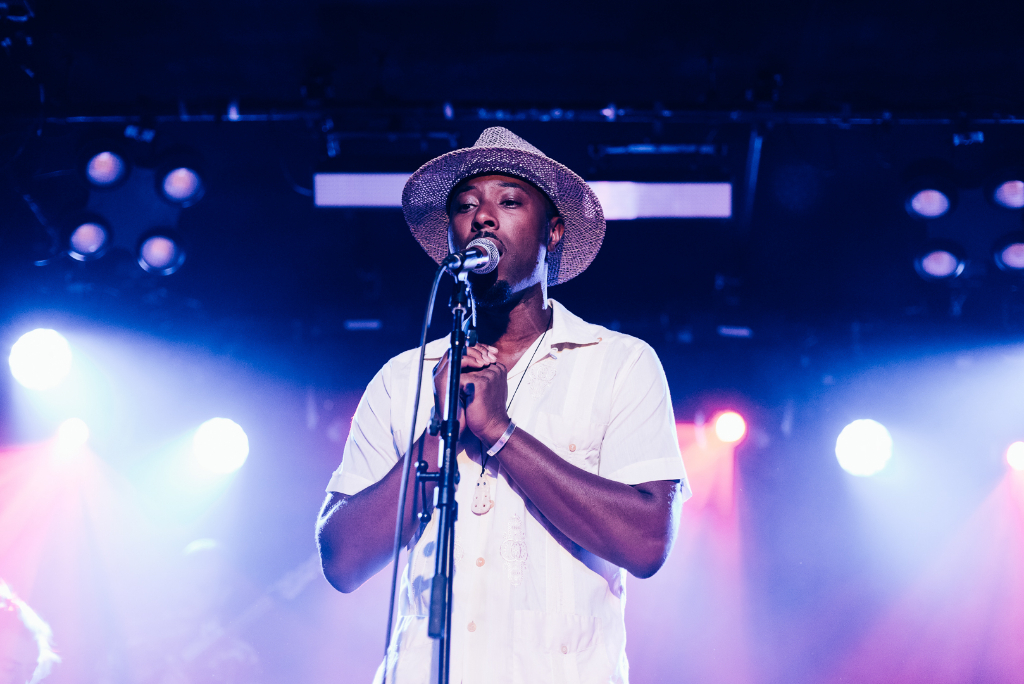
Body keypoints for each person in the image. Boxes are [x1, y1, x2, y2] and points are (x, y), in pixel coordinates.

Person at [316, 127, 691, 684]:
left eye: (509, 202)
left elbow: (647, 542)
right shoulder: (404, 378)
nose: (483, 218)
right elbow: (342, 560)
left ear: (553, 233)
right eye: (466, 206)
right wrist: (441, 432)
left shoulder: (618, 362)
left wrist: (499, 432)